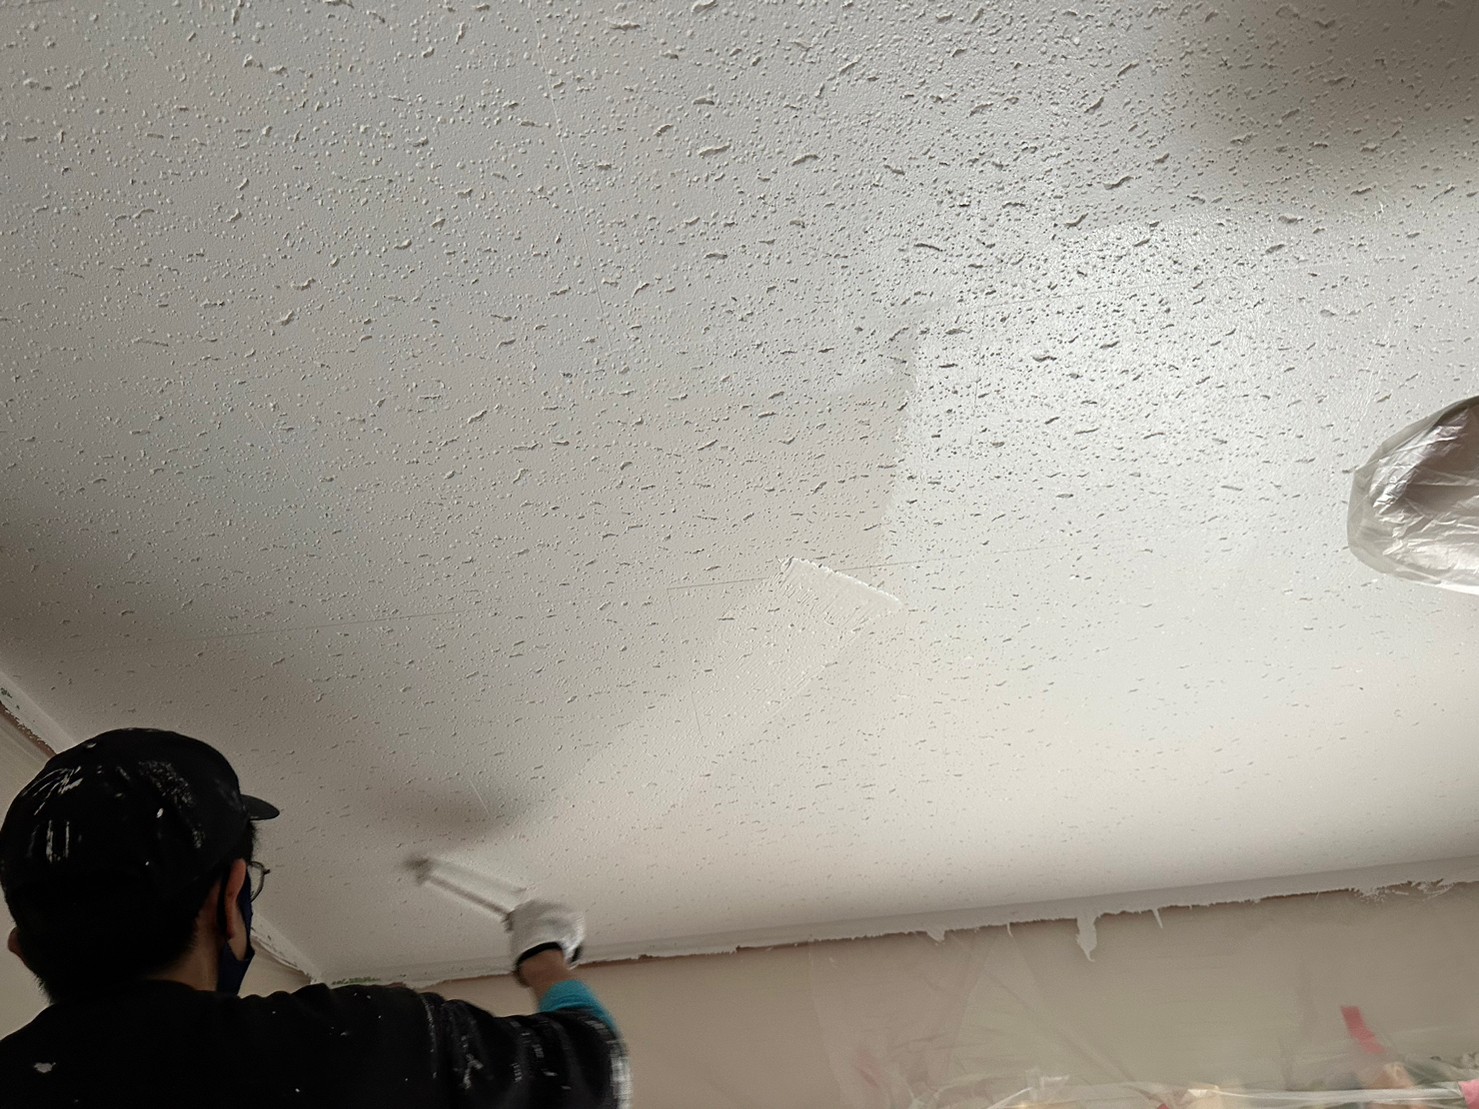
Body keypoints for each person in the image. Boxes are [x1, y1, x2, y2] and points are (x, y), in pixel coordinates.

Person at [0, 728, 629, 1108]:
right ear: (230, 901)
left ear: (22, 947)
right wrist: (542, 953)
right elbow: (594, 1064)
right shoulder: (361, 1046)